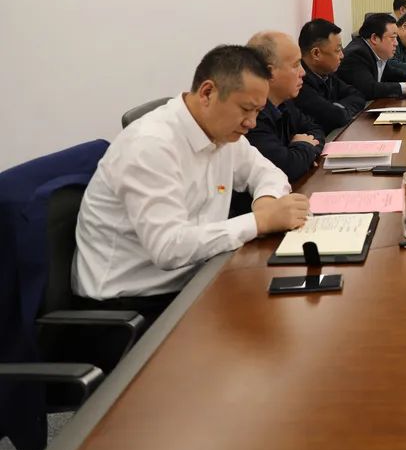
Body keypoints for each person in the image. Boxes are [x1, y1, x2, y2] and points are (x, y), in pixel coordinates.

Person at [72, 45, 310, 322]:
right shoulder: (150, 146)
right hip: (130, 306)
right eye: (246, 109)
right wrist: (261, 222)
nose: (252, 123)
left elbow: (268, 173)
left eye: (258, 111)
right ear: (208, 93)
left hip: (196, 277)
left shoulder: (222, 132)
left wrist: (266, 203)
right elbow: (169, 248)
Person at [245, 31, 326, 183]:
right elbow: (286, 168)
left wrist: (303, 152)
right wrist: (304, 147)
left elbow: (316, 129)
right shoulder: (251, 117)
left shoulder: (285, 102)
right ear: (269, 72)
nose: (303, 73)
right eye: (296, 65)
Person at [295, 19, 367, 133]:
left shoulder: (326, 74)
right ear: (316, 53)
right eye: (337, 50)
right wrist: (338, 111)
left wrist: (337, 107)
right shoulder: (299, 83)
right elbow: (335, 117)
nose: (342, 55)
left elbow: (357, 96)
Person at [339, 13, 406, 99]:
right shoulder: (356, 54)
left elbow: (389, 72)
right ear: (374, 38)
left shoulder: (375, 52)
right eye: (393, 38)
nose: (396, 43)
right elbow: (369, 89)